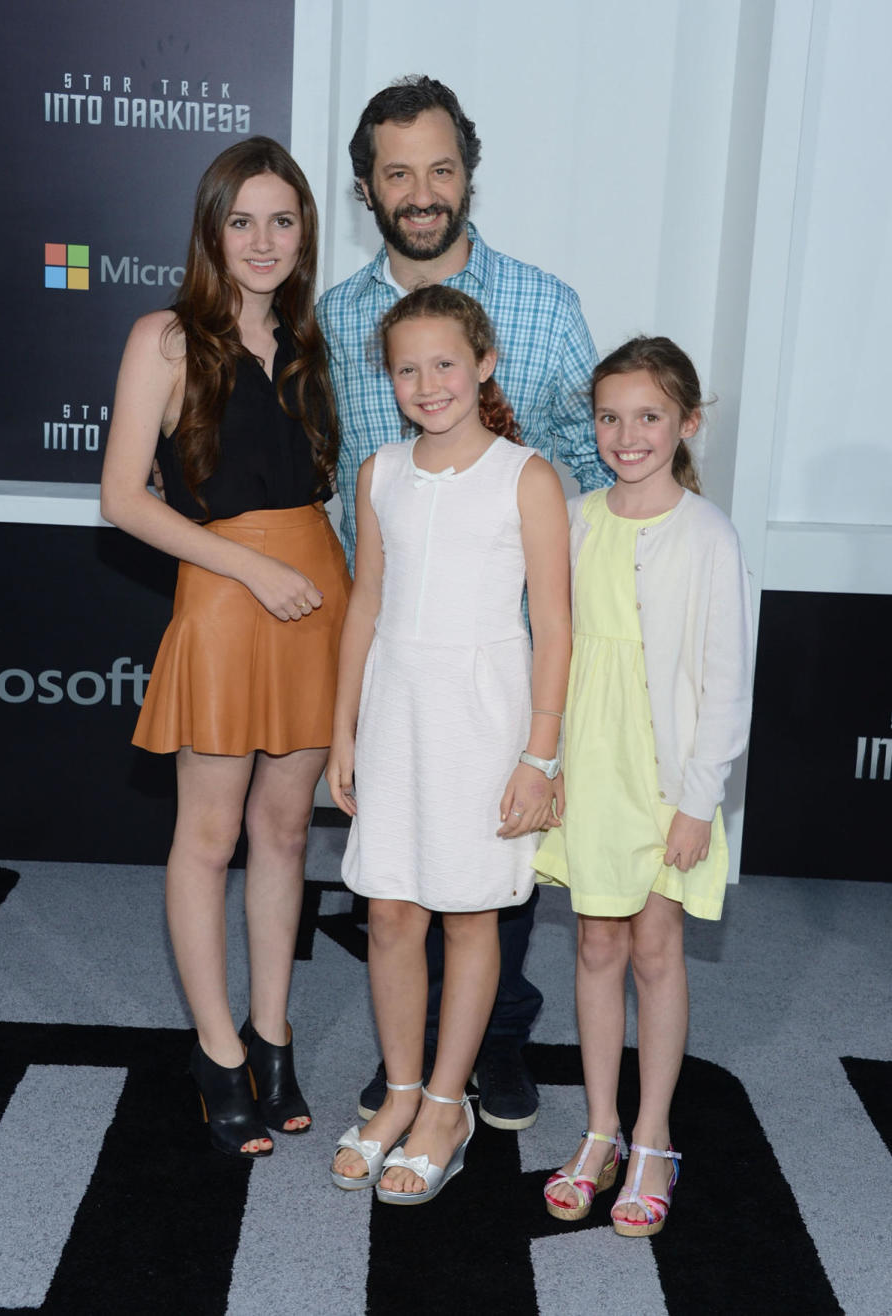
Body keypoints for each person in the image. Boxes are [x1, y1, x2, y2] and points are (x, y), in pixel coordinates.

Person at [317, 73, 613, 1129]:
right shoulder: (334, 320)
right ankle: (410, 1067)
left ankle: (487, 1047)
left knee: (492, 881)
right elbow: (332, 474)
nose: (422, 188)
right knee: (395, 883)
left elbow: (591, 453)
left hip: (507, 643)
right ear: (368, 187)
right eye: (398, 172)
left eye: (440, 167)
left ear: (466, 172)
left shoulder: (544, 305)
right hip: (391, 641)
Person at [100, 137, 350, 1158]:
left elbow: (323, 491)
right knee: (208, 836)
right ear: (211, 230)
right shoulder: (162, 337)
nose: (262, 240)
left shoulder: (310, 342)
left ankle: (272, 1031)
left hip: (316, 594)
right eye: (241, 220)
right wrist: (248, 569)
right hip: (225, 594)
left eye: (281, 220)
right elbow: (122, 499)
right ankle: (215, 1048)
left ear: (304, 233)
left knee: (287, 831)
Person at [326, 286, 571, 1202]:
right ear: (387, 379)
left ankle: (443, 1104)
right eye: (406, 368)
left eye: (443, 363)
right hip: (396, 707)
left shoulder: (526, 475)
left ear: (483, 364)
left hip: (485, 715)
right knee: (389, 911)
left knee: (471, 914)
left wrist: (539, 756)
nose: (427, 384)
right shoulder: (380, 471)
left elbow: (554, 625)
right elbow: (364, 604)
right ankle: (396, 1092)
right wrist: (341, 727)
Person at [534, 337, 753, 1235]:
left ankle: (653, 1135)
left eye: (649, 417)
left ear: (686, 423)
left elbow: (725, 677)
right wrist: (542, 763)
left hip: (662, 778)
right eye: (610, 417)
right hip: (588, 762)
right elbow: (552, 646)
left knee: (655, 947)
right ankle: (599, 1130)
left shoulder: (707, 535)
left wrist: (697, 800)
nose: (627, 436)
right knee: (594, 944)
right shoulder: (577, 516)